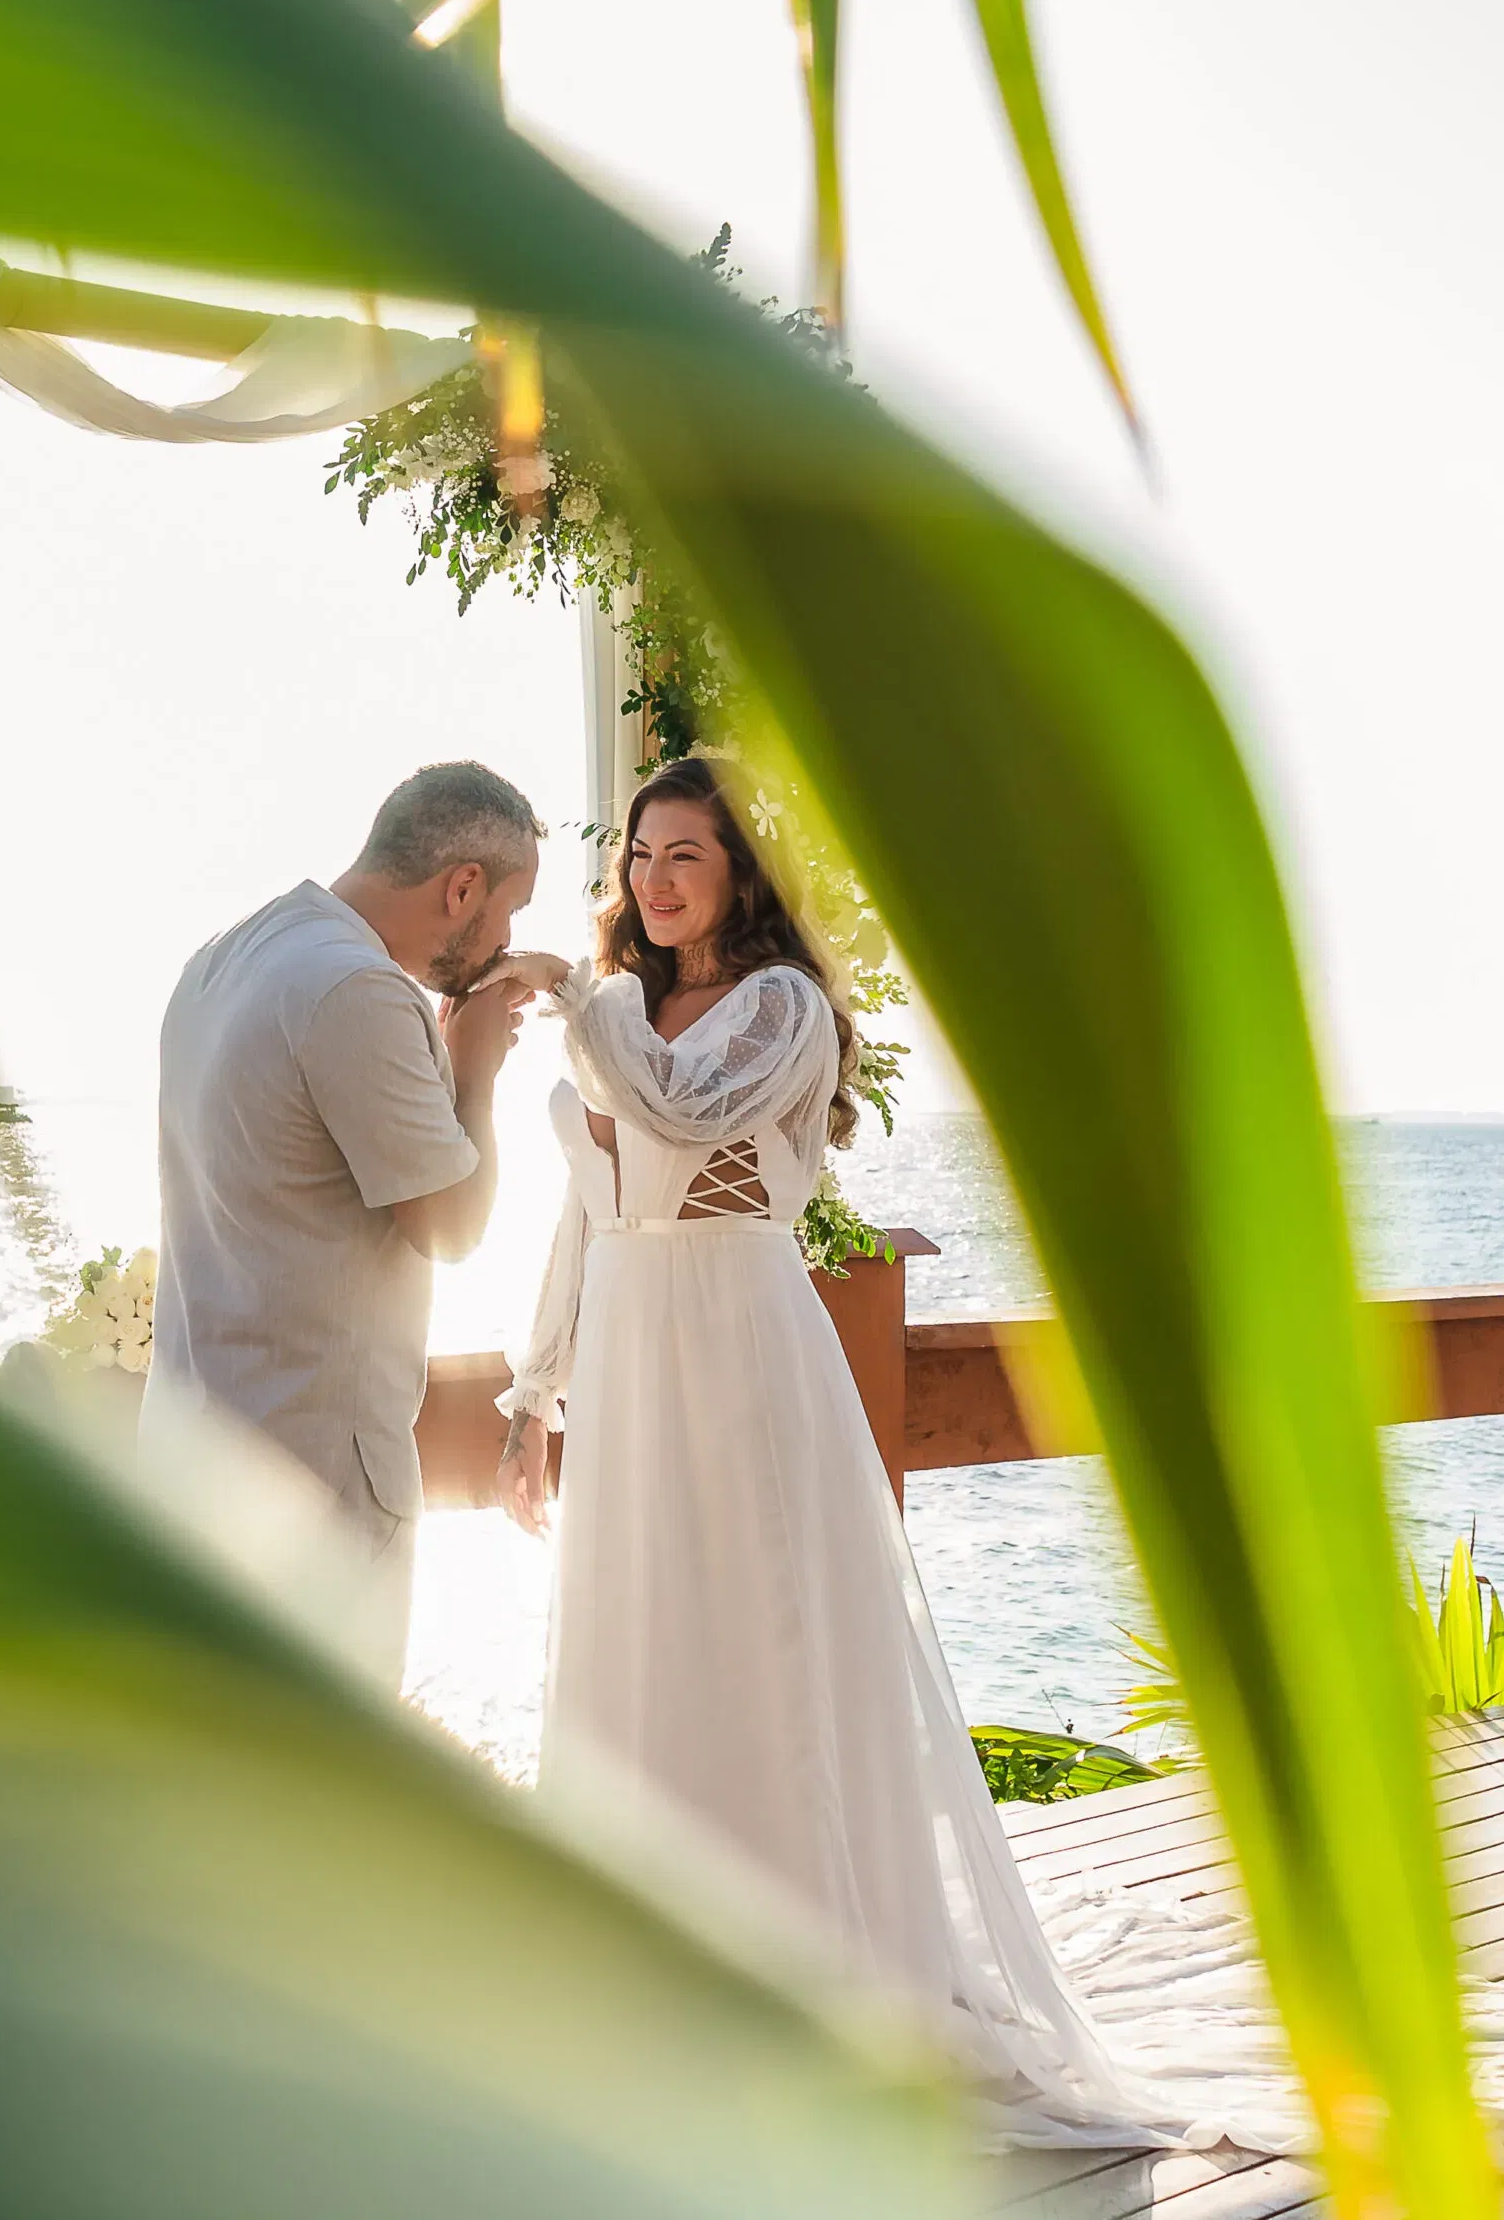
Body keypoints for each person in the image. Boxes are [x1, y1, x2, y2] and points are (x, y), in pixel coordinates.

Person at [489, 755, 1218, 2151]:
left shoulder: (779, 1008)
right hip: (634, 1352)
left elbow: (681, 1116)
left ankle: (807, 1984)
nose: (652, 879)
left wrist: (579, 1003)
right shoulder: (619, 1007)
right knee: (643, 1638)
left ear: (743, 872)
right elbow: (588, 1215)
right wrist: (534, 1392)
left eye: (685, 855)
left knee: (764, 1647)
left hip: (737, 1346)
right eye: (639, 854)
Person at [145, 760, 544, 1679]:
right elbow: (449, 1225)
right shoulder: (359, 991)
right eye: (509, 912)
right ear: (461, 887)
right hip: (313, 1487)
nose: (505, 939)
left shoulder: (221, 958)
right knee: (321, 1794)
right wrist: (474, 1068)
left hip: (193, 1456)